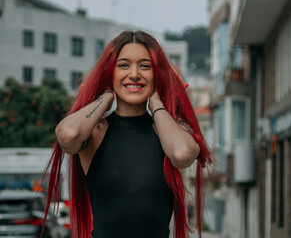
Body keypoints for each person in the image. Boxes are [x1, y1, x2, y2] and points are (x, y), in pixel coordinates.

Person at [43, 30, 212, 238]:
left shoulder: (170, 132)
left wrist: (157, 104)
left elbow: (182, 154)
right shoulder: (96, 133)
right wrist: (106, 96)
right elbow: (67, 135)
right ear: (110, 73)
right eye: (123, 65)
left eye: (145, 66)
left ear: (156, 75)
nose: (134, 74)